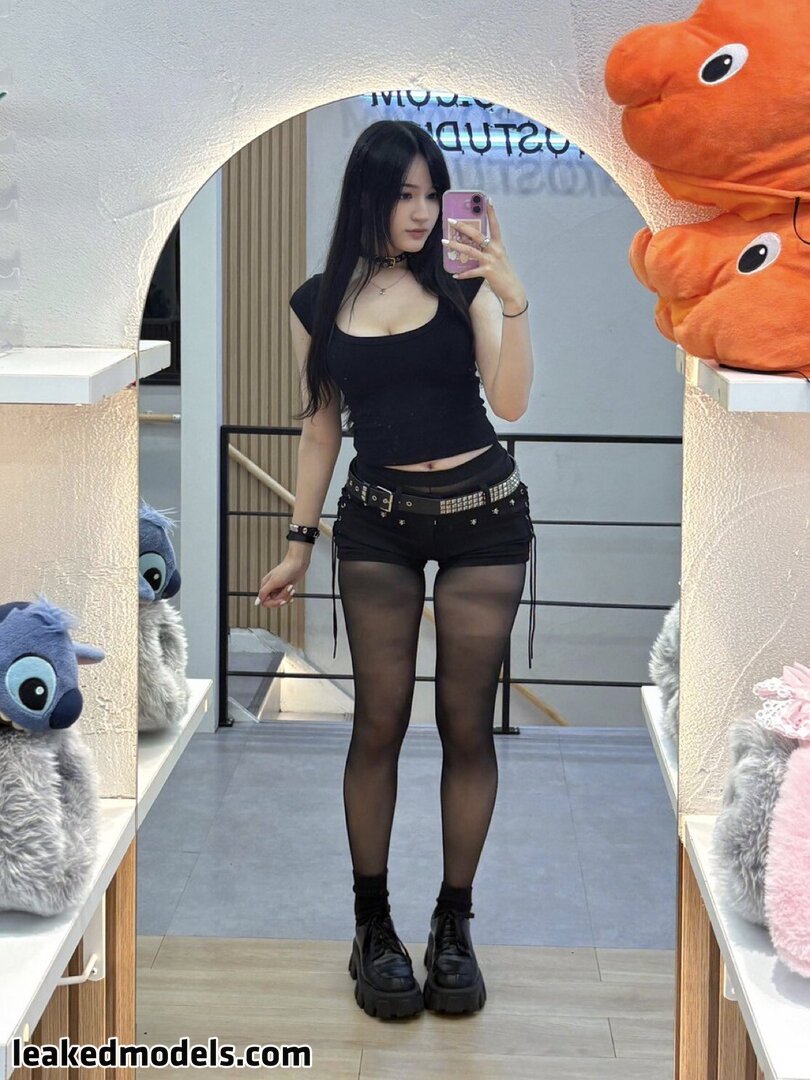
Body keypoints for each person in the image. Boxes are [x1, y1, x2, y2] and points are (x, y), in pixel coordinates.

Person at [256, 119, 536, 1019]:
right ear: (369, 197)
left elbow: (511, 402)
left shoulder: (463, 282)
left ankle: (454, 925)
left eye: (433, 194)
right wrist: (299, 543)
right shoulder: (318, 300)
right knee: (377, 724)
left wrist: (512, 299)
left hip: (484, 518)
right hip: (376, 523)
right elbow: (320, 429)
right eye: (405, 194)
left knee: (465, 726)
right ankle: (371, 926)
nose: (422, 212)